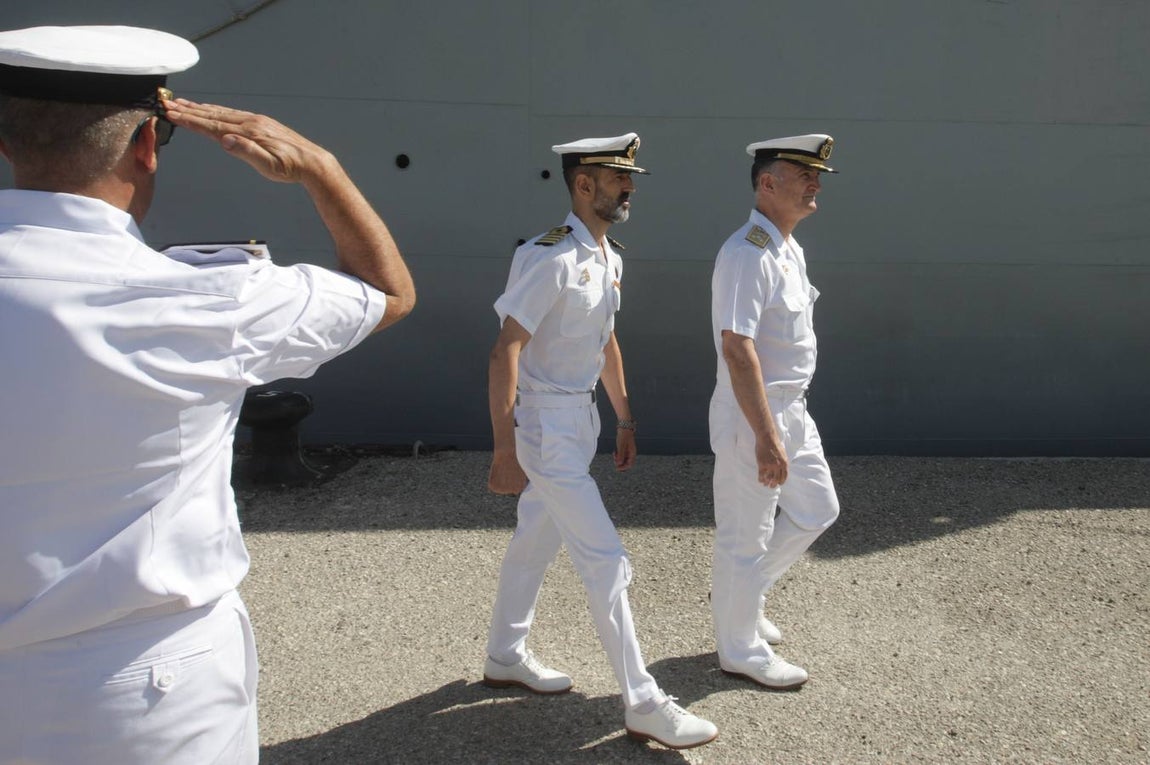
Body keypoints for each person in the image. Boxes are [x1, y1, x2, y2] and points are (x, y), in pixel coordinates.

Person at [0, 25, 414, 764]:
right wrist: (321, 168)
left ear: (6, 142)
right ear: (147, 145)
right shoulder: (211, 302)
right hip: (148, 695)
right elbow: (386, 293)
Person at [484, 133, 717, 750]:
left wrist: (625, 417)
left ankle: (505, 653)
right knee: (605, 561)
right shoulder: (549, 255)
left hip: (578, 419)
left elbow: (604, 341)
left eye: (630, 178)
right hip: (543, 428)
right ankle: (642, 700)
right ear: (583, 185)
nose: (629, 188)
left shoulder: (608, 256)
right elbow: (506, 349)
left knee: (535, 537)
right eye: (619, 179)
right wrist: (505, 449)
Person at [708, 134, 842, 690]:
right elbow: (737, 348)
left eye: (817, 176)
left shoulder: (788, 248)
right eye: (802, 175)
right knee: (746, 533)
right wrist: (765, 436)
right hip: (753, 415)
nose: (814, 184)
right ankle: (738, 648)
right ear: (768, 183)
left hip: (791, 409)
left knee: (817, 510)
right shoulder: (747, 253)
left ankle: (746, 599)